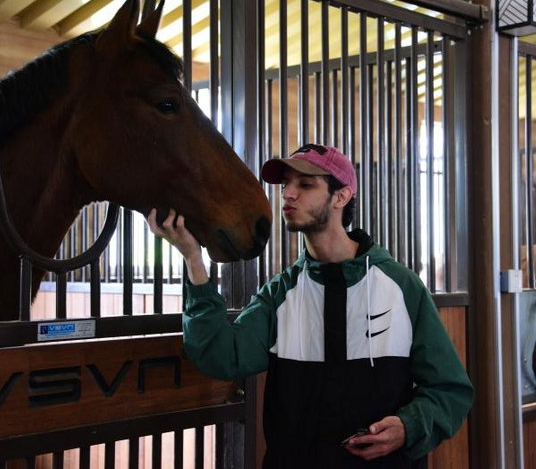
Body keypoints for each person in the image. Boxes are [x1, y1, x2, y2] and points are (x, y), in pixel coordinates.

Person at [148, 144, 473, 468]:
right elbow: (222, 356)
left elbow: (450, 390)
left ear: (341, 197)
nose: (288, 194)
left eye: (305, 184)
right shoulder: (282, 292)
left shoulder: (401, 287)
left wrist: (409, 426)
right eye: (286, 184)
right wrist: (193, 259)